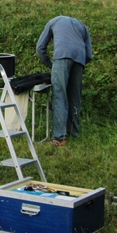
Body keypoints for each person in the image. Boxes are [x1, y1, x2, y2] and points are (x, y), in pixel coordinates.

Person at [36, 15, 93, 147]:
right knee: (75, 96)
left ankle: (59, 137)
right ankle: (74, 132)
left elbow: (40, 48)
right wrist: (79, 63)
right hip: (80, 59)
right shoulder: (82, 25)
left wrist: (50, 64)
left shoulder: (53, 22)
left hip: (61, 57)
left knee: (59, 96)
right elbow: (89, 54)